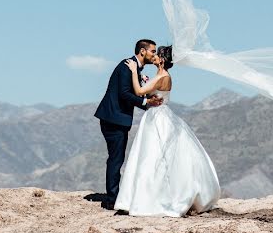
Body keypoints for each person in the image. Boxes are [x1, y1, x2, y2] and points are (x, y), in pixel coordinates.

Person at [113, 45, 221, 217]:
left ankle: (154, 198)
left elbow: (139, 91)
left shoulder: (162, 76)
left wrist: (134, 71)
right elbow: (149, 91)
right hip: (157, 114)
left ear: (162, 60)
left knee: (154, 156)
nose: (154, 57)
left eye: (157, 55)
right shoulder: (161, 76)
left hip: (157, 117)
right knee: (155, 157)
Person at [93, 39, 163, 211]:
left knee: (117, 158)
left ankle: (114, 196)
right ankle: (111, 200)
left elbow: (130, 90)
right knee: (116, 159)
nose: (154, 54)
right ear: (142, 51)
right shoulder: (127, 66)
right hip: (113, 119)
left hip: (117, 118)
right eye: (152, 51)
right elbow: (124, 94)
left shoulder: (134, 68)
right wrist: (146, 102)